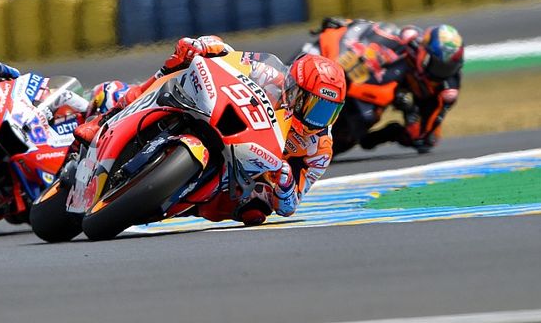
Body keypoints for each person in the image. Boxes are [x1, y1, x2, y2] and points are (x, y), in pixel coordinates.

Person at [72, 35, 347, 225]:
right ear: (294, 90)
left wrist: (285, 183)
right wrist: (208, 45)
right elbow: (230, 57)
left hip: (248, 173)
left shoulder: (319, 149)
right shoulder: (269, 75)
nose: (318, 119)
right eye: (314, 106)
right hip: (224, 116)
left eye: (328, 111)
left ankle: (180, 197)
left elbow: (289, 207)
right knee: (178, 63)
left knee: (255, 213)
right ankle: (105, 119)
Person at [316, 17, 463, 153]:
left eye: (449, 68)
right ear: (424, 53)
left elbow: (423, 133)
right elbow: (377, 30)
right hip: (385, 75)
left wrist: (410, 109)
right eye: (437, 65)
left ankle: (335, 143)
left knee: (423, 140)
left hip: (408, 101)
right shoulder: (410, 39)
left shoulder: (446, 90)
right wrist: (347, 24)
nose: (441, 72)